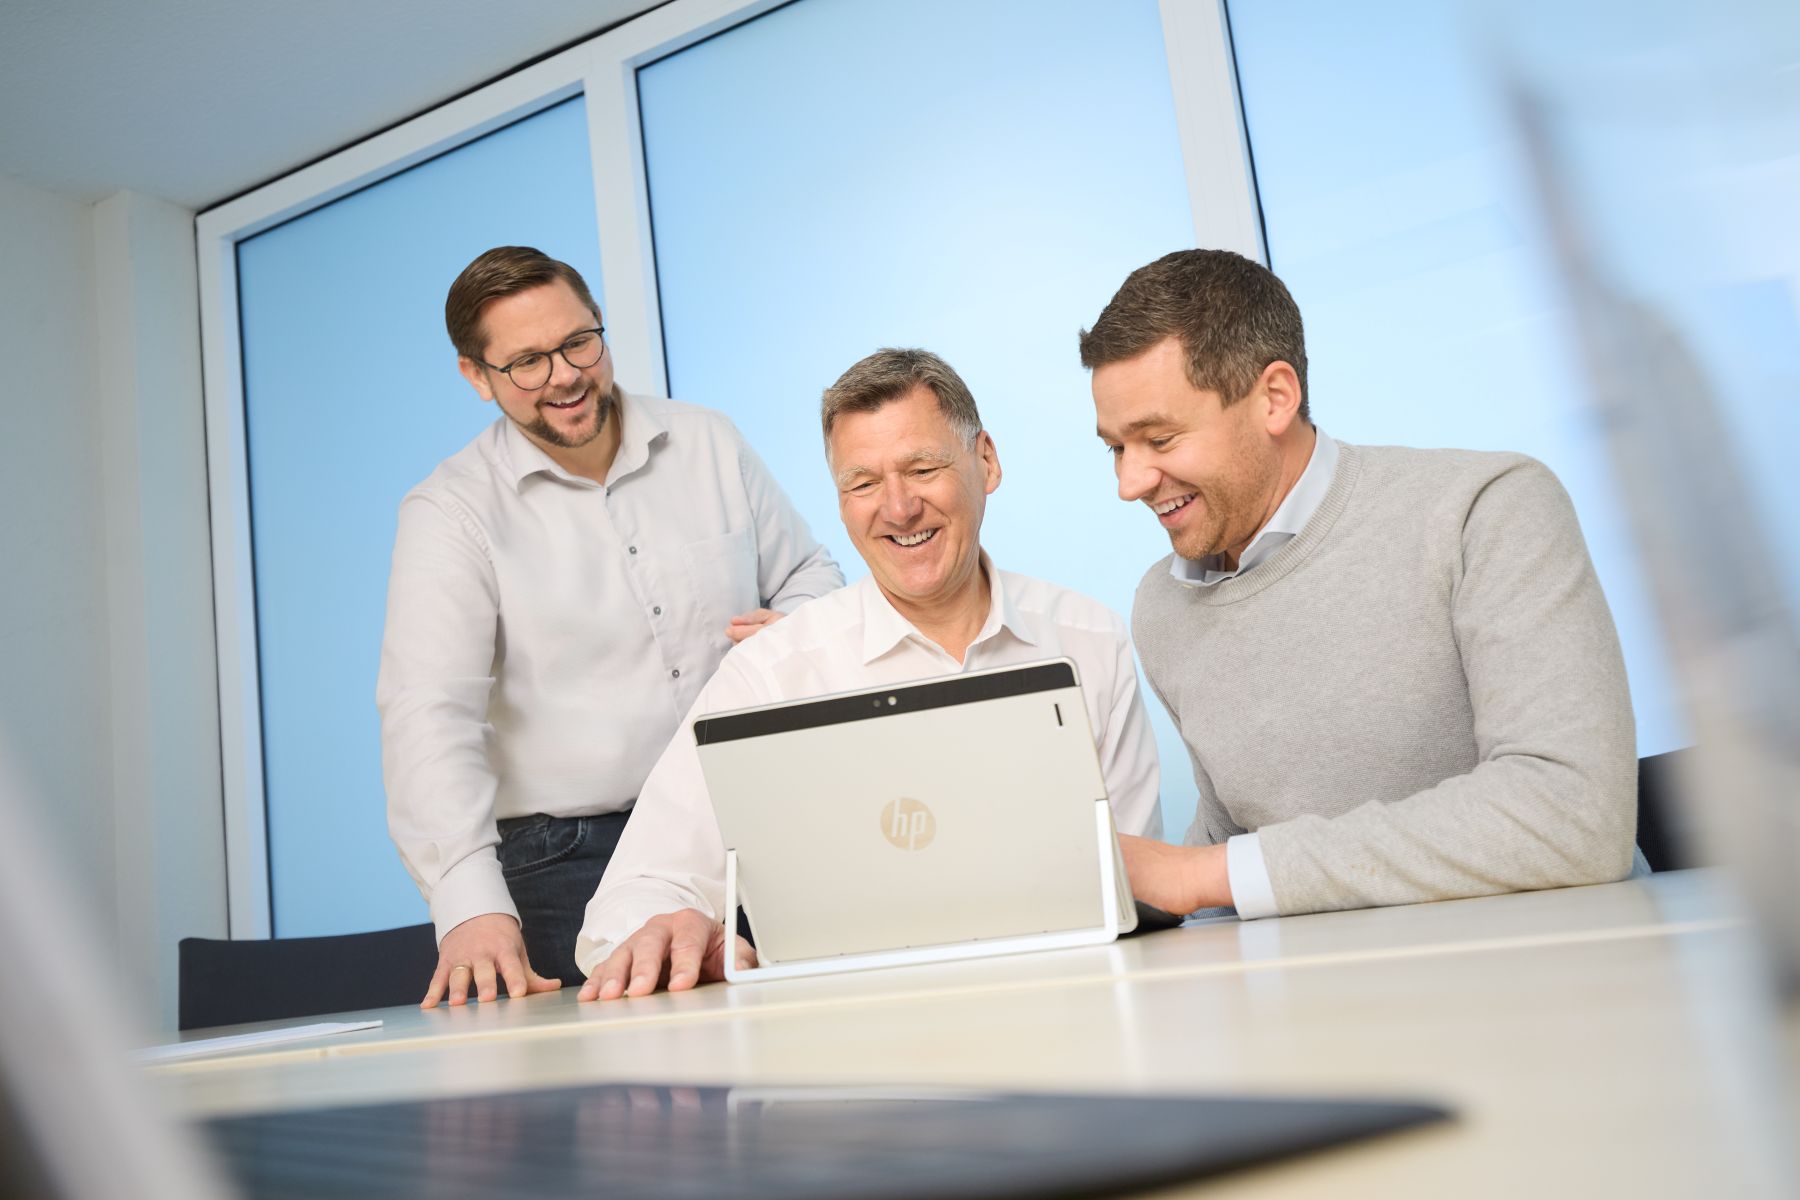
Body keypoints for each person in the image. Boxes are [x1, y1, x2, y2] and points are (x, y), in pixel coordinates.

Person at [573, 348, 1163, 998]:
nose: (898, 507)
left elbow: (1137, 886)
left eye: (922, 469)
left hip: (1064, 1004)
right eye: (863, 484)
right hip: (845, 1027)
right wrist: (670, 927)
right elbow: (634, 892)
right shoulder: (770, 674)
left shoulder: (1090, 640)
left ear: (986, 461)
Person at [1082, 248, 1639, 920]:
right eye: (1117, 447)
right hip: (1330, 979)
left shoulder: (1487, 508)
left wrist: (1206, 874)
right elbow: (1232, 842)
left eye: (1161, 439)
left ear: (1274, 398)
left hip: (1558, 965)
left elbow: (1574, 815)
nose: (1130, 483)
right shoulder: (1165, 606)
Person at [378, 246, 843, 1006]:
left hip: (754, 815)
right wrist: (470, 907)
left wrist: (789, 634)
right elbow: (429, 715)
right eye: (527, 362)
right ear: (476, 375)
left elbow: (809, 576)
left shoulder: (708, 441)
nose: (564, 375)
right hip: (573, 857)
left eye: (577, 343)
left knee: (823, 1024)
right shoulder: (450, 512)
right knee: (641, 1068)